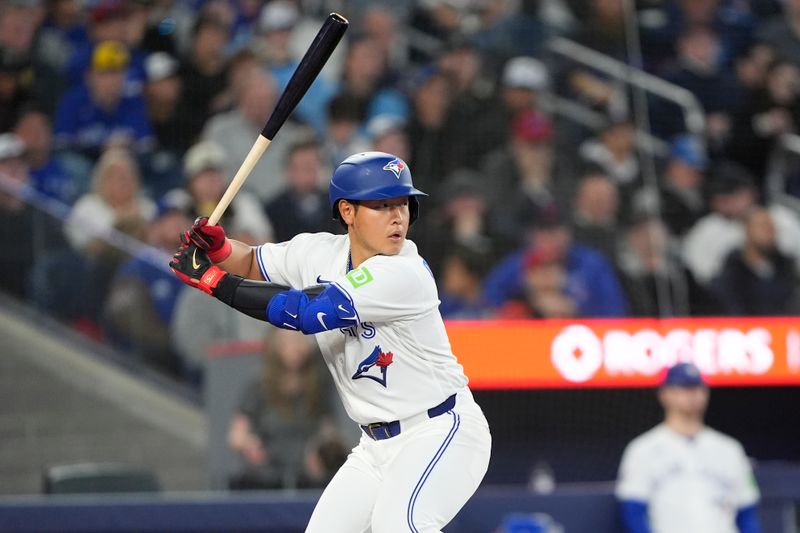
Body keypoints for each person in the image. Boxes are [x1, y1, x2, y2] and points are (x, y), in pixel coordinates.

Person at [170, 151, 492, 532]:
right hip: (375, 444)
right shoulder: (318, 251)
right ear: (348, 211)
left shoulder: (404, 271)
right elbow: (254, 262)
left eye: (403, 203)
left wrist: (212, 281)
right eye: (381, 204)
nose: (397, 216)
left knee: (402, 526)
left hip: (440, 430)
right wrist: (219, 249)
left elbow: (304, 313)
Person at [616, 362, 761, 533]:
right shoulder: (642, 449)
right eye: (683, 388)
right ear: (664, 394)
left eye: (697, 388)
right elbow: (633, 513)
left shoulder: (730, 449)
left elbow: (747, 514)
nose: (692, 395)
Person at [227, 328, 343, 490]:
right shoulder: (260, 385)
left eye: (298, 341)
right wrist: (249, 444)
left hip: (307, 474)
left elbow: (328, 427)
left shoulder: (318, 383)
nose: (294, 347)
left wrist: (322, 451)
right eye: (287, 342)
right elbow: (236, 436)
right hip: (267, 474)